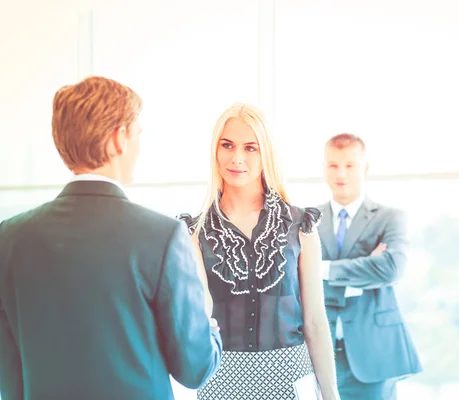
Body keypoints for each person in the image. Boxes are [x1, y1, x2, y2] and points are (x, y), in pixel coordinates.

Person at [0, 76, 222, 400]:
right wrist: (209, 323)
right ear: (119, 138)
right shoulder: (162, 237)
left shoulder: (9, 238)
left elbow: (9, 375)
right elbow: (195, 367)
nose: (139, 146)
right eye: (138, 134)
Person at [177, 103, 339, 400]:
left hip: (292, 379)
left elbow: (315, 320)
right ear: (215, 150)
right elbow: (200, 312)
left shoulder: (301, 226)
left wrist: (331, 395)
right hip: (221, 381)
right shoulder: (193, 232)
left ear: (266, 154)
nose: (237, 158)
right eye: (227, 145)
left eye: (250, 148)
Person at [317, 133, 422, 400]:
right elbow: (293, 278)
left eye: (350, 165)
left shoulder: (390, 218)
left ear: (365, 168)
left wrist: (321, 269)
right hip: (318, 353)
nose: (341, 173)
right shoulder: (308, 221)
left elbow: (391, 269)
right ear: (324, 168)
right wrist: (365, 269)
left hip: (373, 353)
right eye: (333, 165)